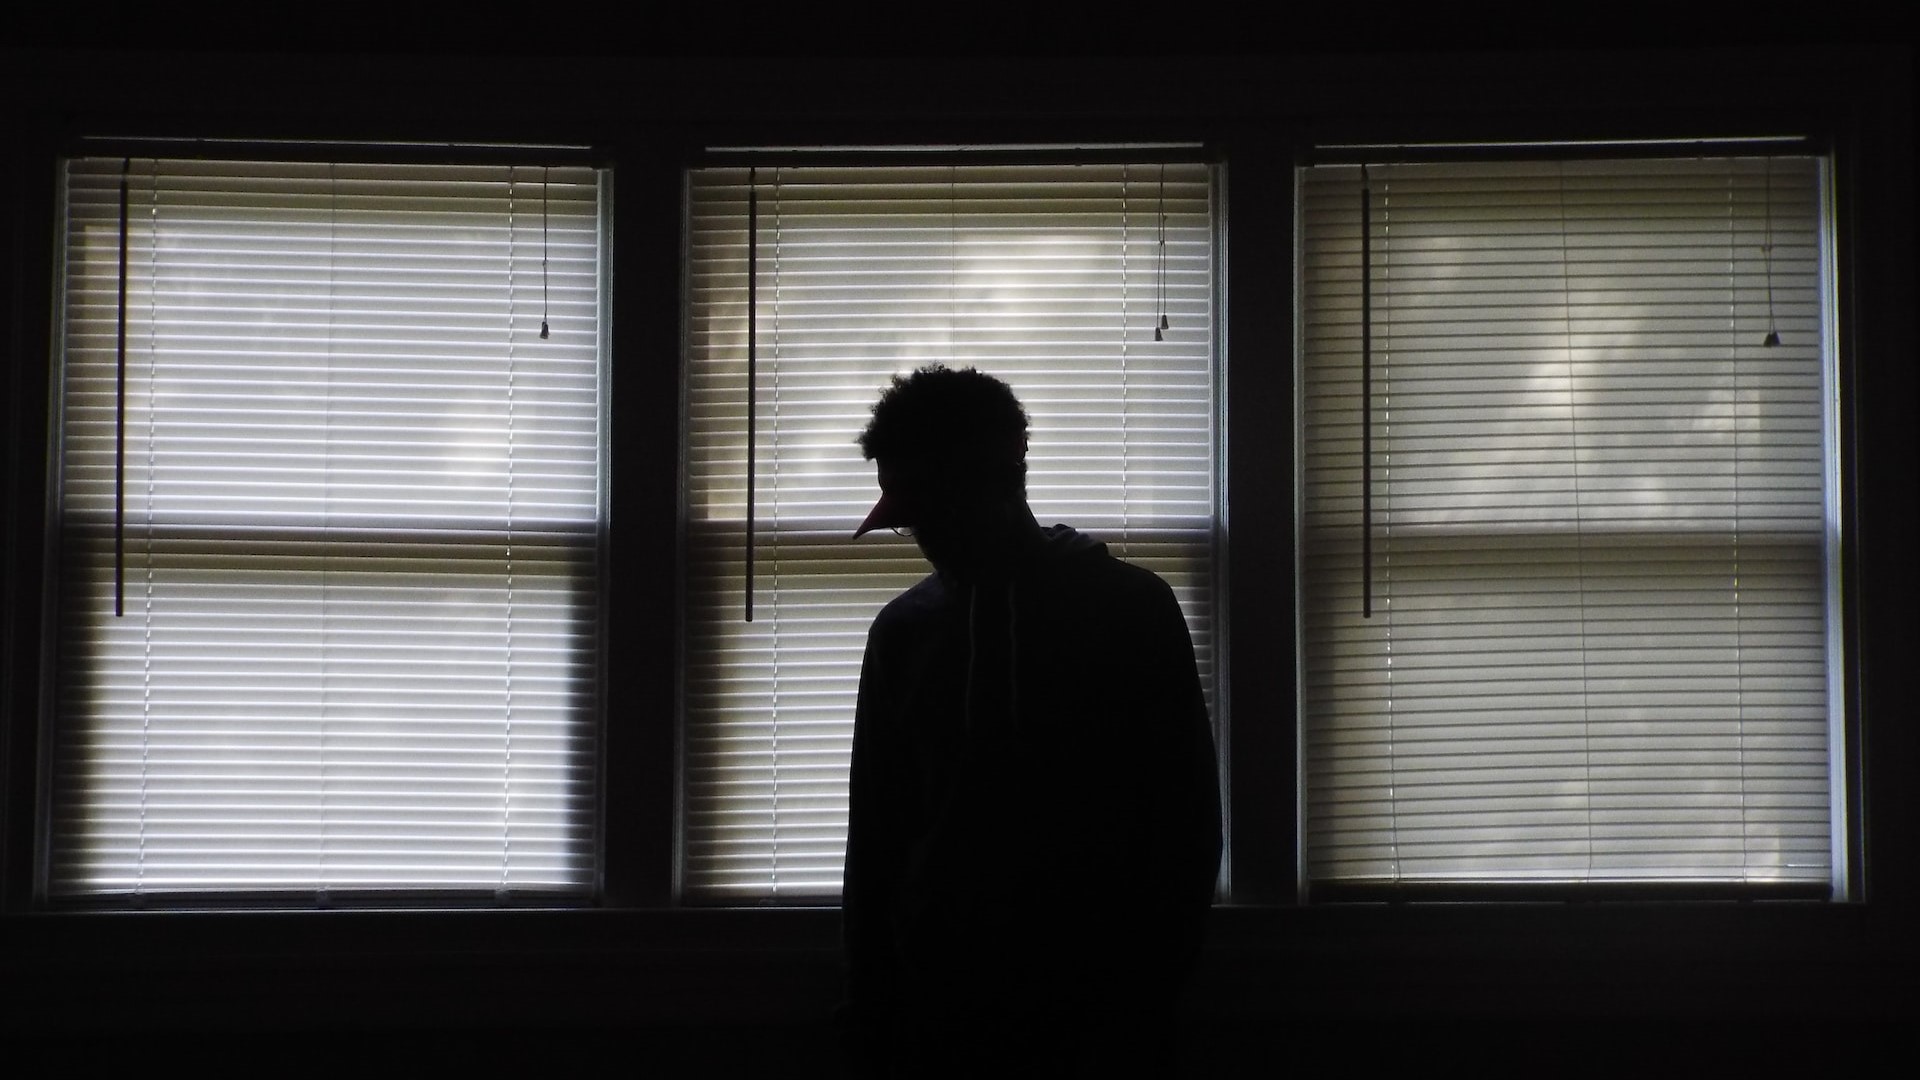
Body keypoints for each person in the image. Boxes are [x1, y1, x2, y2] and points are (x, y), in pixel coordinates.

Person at [838, 364, 1222, 1078]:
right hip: (939, 1014)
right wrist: (875, 1008)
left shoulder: (1130, 611)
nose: (918, 529)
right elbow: (879, 837)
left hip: (1106, 1009)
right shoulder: (904, 632)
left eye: (929, 504)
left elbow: (1185, 818)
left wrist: (1149, 986)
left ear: (992, 479)